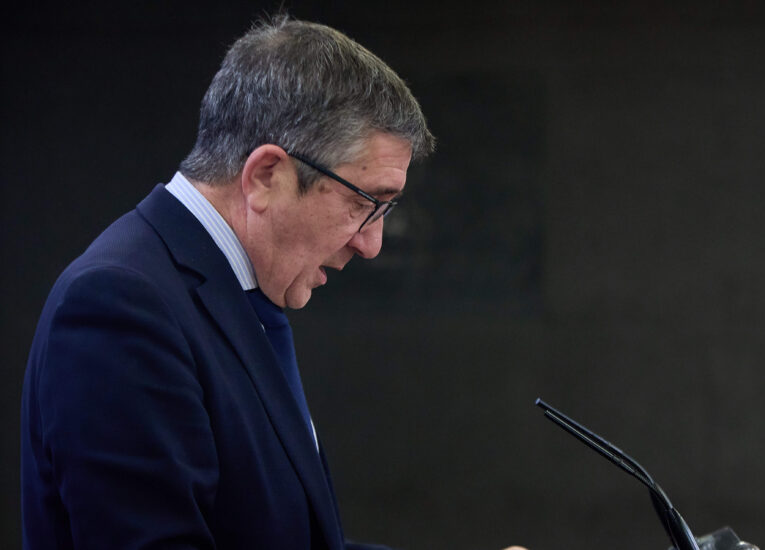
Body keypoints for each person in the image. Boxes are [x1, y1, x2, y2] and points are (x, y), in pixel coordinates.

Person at [21, 16, 526, 550]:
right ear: (266, 176)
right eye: (363, 204)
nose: (370, 244)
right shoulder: (120, 307)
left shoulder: (228, 288)